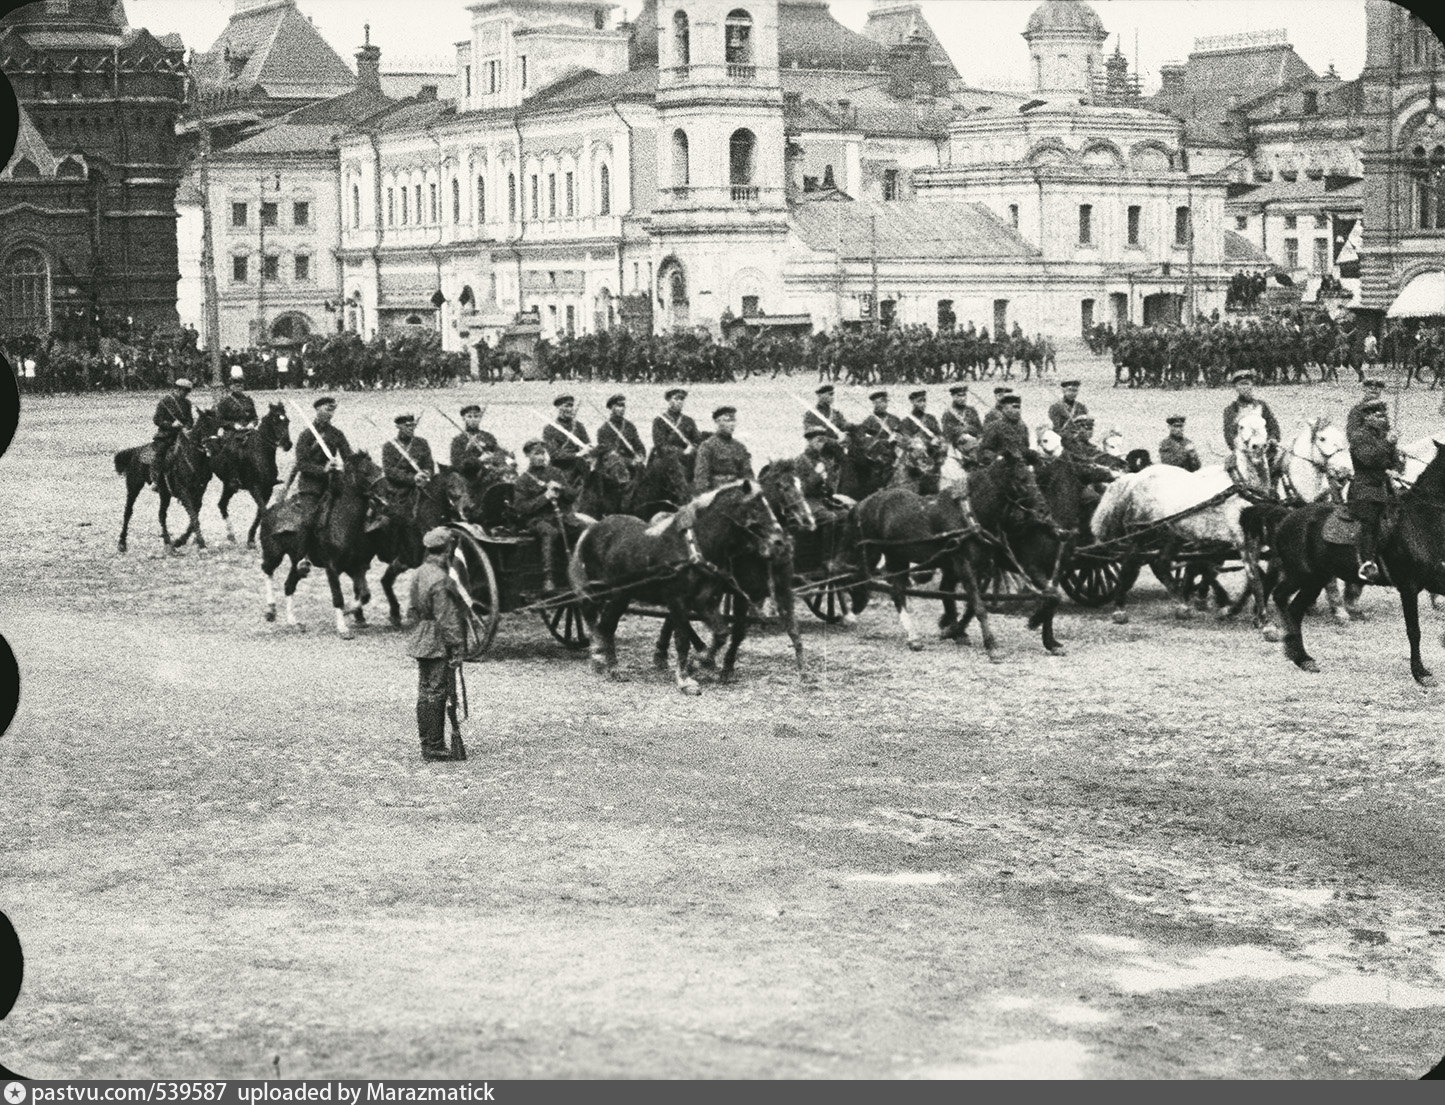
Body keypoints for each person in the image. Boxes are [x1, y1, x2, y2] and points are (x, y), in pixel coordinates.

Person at [406, 527, 468, 763]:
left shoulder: (420, 572)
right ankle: (434, 747)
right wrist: (457, 647)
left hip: (422, 635)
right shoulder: (441, 579)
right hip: (437, 640)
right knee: (437, 693)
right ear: (448, 549)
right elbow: (447, 619)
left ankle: (428, 743)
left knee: (425, 692)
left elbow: (411, 609)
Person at [513, 440, 585, 594]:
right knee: (550, 532)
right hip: (537, 520)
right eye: (536, 454)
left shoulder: (556, 473)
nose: (540, 457)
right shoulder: (523, 480)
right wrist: (545, 497)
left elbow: (572, 496)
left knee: (582, 529)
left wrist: (562, 488)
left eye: (542, 453)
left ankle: (587, 570)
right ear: (528, 455)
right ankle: (549, 578)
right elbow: (522, 508)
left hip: (560, 516)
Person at [292, 396, 353, 574]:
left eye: (332, 410)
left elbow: (348, 458)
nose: (330, 413)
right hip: (311, 485)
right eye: (327, 409)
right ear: (318, 409)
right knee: (308, 519)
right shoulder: (306, 435)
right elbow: (302, 464)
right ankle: (302, 557)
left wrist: (341, 466)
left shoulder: (336, 434)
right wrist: (323, 469)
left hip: (332, 484)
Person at [1346, 398, 1404, 583]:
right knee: (1370, 523)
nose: (1382, 419)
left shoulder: (1384, 436)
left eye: (1383, 415)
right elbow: (1368, 459)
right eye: (1377, 415)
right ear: (1367, 417)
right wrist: (1387, 443)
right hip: (1365, 489)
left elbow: (1396, 460)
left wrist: (1395, 468)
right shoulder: (1359, 436)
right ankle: (1367, 563)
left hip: (1386, 488)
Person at [382, 413, 436, 516]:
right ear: (398, 426)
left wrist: (426, 473)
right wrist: (413, 478)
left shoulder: (422, 443)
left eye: (413, 425)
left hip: (423, 485)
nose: (411, 428)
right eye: (407, 426)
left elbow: (429, 463)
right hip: (400, 489)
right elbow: (389, 470)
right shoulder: (389, 447)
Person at [693, 406, 754, 493]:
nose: (732, 424)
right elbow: (701, 478)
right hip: (716, 493)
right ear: (718, 422)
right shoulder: (707, 446)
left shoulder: (740, 447)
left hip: (738, 492)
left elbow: (748, 474)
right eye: (727, 420)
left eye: (733, 420)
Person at [150, 378, 196, 489]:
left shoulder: (187, 403)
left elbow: (190, 419)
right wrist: (171, 425)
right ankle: (155, 479)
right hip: (167, 434)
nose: (185, 394)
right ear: (177, 389)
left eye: (187, 391)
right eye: (184, 391)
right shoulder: (165, 402)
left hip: (183, 433)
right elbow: (157, 419)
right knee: (161, 451)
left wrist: (187, 427)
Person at [542, 395, 595, 486]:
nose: (570, 409)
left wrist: (589, 449)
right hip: (560, 468)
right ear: (558, 408)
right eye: (566, 406)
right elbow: (555, 454)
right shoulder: (549, 429)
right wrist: (577, 454)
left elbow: (587, 444)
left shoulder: (579, 426)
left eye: (571, 406)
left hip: (579, 466)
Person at [1222, 370, 1281, 450]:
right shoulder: (1231, 410)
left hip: (1265, 448)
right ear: (1236, 388)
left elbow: (1273, 426)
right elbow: (1229, 433)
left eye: (1247, 383)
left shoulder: (1261, 406)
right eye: (1241, 384)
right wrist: (1238, 445)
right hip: (1243, 450)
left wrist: (1272, 438)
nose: (1244, 387)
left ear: (1252, 385)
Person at [651, 389, 702, 477]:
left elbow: (697, 440)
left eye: (681, 399)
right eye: (676, 399)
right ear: (669, 400)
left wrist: (692, 448)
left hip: (688, 459)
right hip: (667, 458)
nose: (679, 402)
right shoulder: (659, 421)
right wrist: (681, 452)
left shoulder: (688, 421)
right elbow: (660, 445)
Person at [977, 393, 1036, 465]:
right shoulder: (995, 426)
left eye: (1019, 407)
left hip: (1020, 465)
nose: (1017, 410)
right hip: (1002, 466)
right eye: (1014, 407)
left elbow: (1025, 447)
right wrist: (997, 458)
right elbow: (984, 450)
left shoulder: (1022, 427)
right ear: (1004, 409)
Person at [449, 404, 502, 479]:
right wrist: (468, 450)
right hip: (468, 476)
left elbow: (498, 452)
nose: (473, 419)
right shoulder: (458, 440)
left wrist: (491, 456)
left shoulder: (488, 437)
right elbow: (456, 463)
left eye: (476, 416)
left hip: (489, 473)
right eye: (469, 416)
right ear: (464, 418)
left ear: (480, 418)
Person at [596, 393, 646, 471]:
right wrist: (630, 462)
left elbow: (638, 445)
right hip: (614, 465)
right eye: (618, 406)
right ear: (612, 407)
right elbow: (610, 454)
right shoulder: (604, 429)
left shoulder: (630, 426)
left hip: (632, 462)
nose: (622, 408)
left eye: (623, 406)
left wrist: (641, 456)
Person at [940, 384, 984, 458]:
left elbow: (980, 428)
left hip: (974, 439)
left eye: (964, 395)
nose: (962, 398)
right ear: (953, 397)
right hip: (959, 443)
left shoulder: (971, 410)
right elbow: (947, 433)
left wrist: (979, 436)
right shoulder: (948, 413)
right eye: (959, 396)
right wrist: (963, 430)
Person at [216, 367, 258, 434]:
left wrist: (252, 424)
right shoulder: (225, 402)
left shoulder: (248, 401)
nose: (239, 386)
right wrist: (233, 425)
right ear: (231, 386)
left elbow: (254, 417)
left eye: (241, 384)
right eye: (235, 384)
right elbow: (219, 420)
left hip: (248, 431)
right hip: (232, 432)